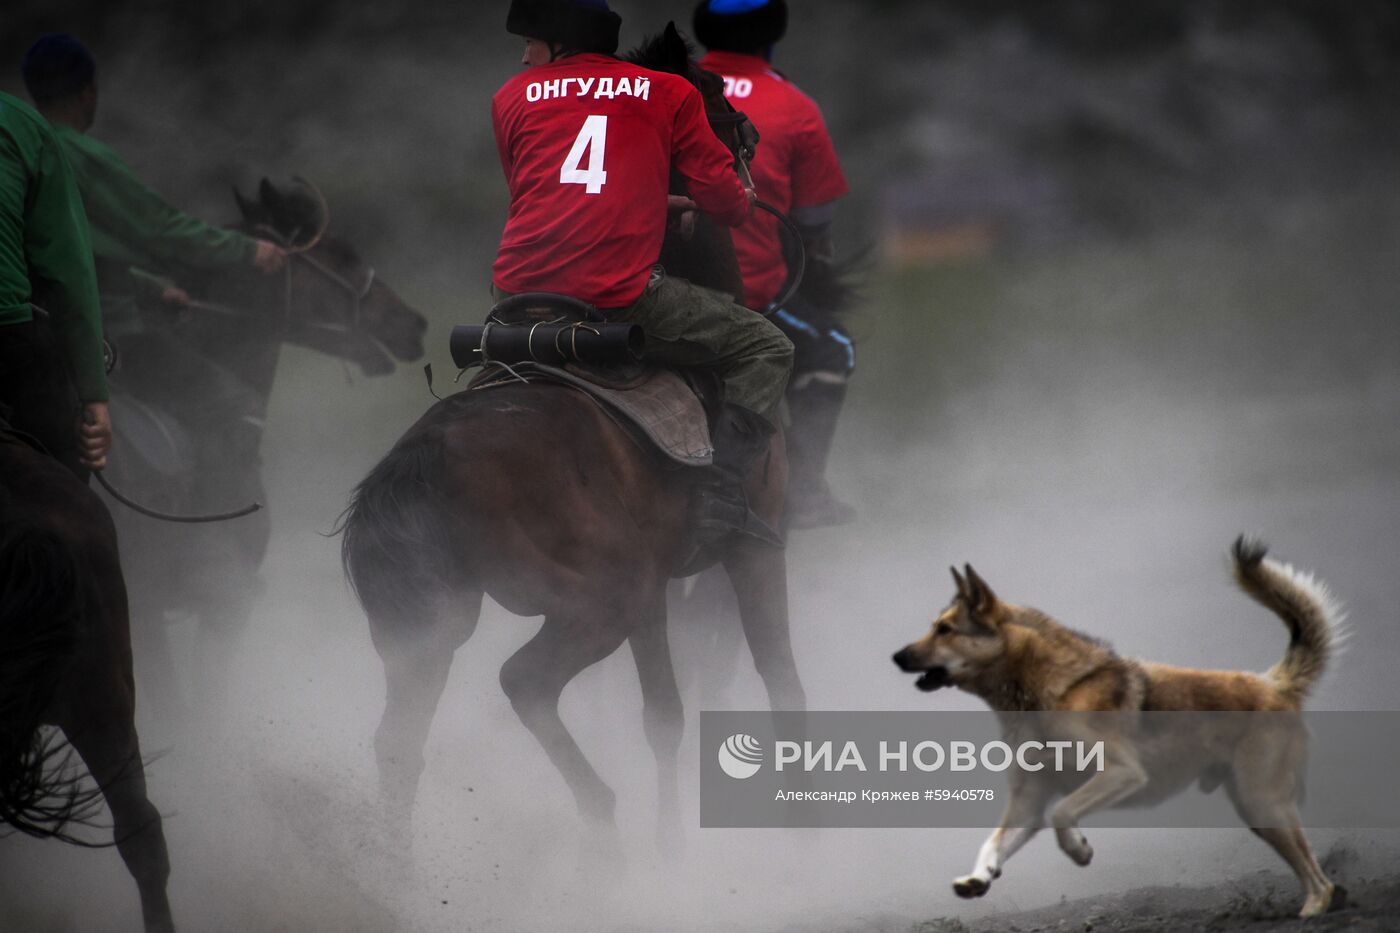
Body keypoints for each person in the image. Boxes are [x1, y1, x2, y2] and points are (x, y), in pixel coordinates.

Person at [494, 0, 795, 551]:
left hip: (517, 293)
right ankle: (725, 495)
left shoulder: (510, 98)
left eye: (529, 43)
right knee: (768, 346)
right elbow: (726, 203)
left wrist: (665, 202)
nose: (522, 58)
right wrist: (732, 203)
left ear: (561, 43)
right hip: (613, 296)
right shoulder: (669, 91)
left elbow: (556, 194)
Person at [22, 33, 287, 490]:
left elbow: (61, 253)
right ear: (89, 92)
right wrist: (248, 250)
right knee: (235, 402)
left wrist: (147, 287)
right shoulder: (81, 156)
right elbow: (158, 229)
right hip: (108, 334)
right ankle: (214, 531)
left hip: (28, 333)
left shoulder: (21, 153)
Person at [694, 0, 857, 529]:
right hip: (754, 300)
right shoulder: (795, 107)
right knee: (835, 349)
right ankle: (806, 489)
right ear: (772, 33)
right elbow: (812, 229)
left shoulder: (667, 90)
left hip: (660, 287)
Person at [0, 89, 110, 479]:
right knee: (67, 476)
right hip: (9, 339)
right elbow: (69, 272)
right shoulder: (22, 125)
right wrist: (93, 394)